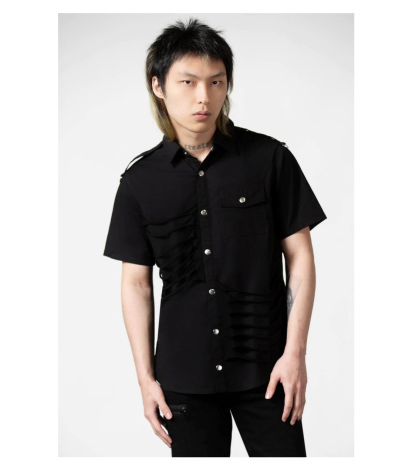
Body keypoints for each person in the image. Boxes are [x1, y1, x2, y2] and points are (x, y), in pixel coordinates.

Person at [103, 17, 327, 457]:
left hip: (269, 371)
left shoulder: (269, 159)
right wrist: (145, 379)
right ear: (158, 86)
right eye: (187, 82)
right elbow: (136, 284)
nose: (203, 96)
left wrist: (295, 354)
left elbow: (300, 258)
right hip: (184, 378)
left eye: (216, 81)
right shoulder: (139, 181)